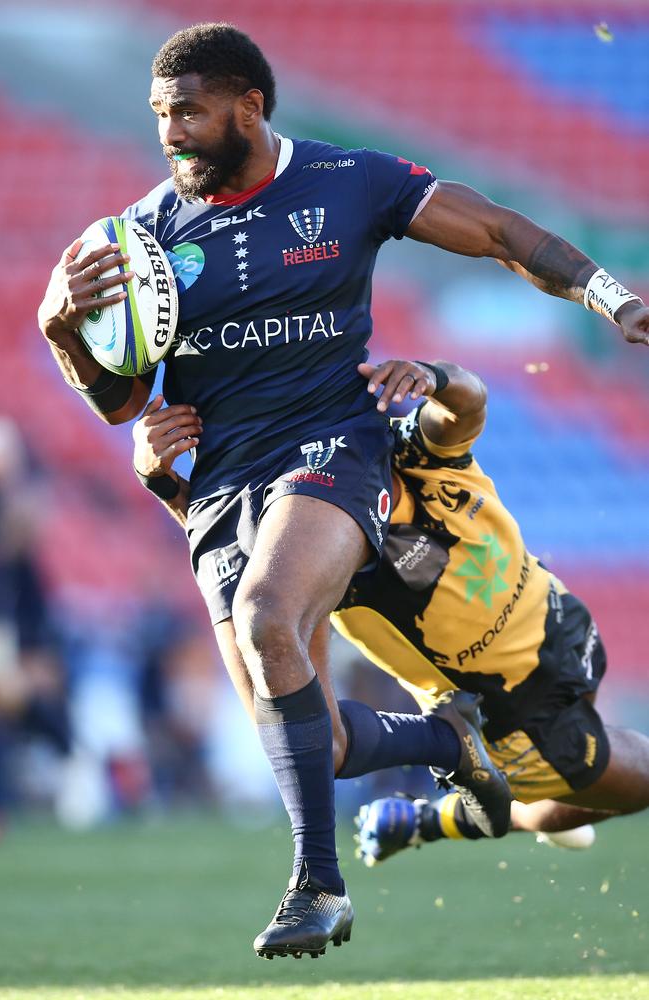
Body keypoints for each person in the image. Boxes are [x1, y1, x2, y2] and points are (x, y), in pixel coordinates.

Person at [36, 21, 649, 958]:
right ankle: (453, 747)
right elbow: (121, 404)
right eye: (161, 115)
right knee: (304, 737)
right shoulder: (147, 236)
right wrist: (62, 330)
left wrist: (607, 293)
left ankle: (315, 886)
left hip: (333, 446)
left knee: (268, 615)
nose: (173, 133)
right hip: (218, 484)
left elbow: (491, 229)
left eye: (191, 112)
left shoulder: (346, 182)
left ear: (250, 105)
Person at [132, 358, 649, 870]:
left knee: (579, 771)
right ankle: (435, 819)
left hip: (561, 619)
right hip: (511, 716)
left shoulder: (415, 451)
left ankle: (476, 809)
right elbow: (242, 572)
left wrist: (436, 376)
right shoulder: (319, 550)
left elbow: (469, 404)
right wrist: (164, 484)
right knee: (606, 787)